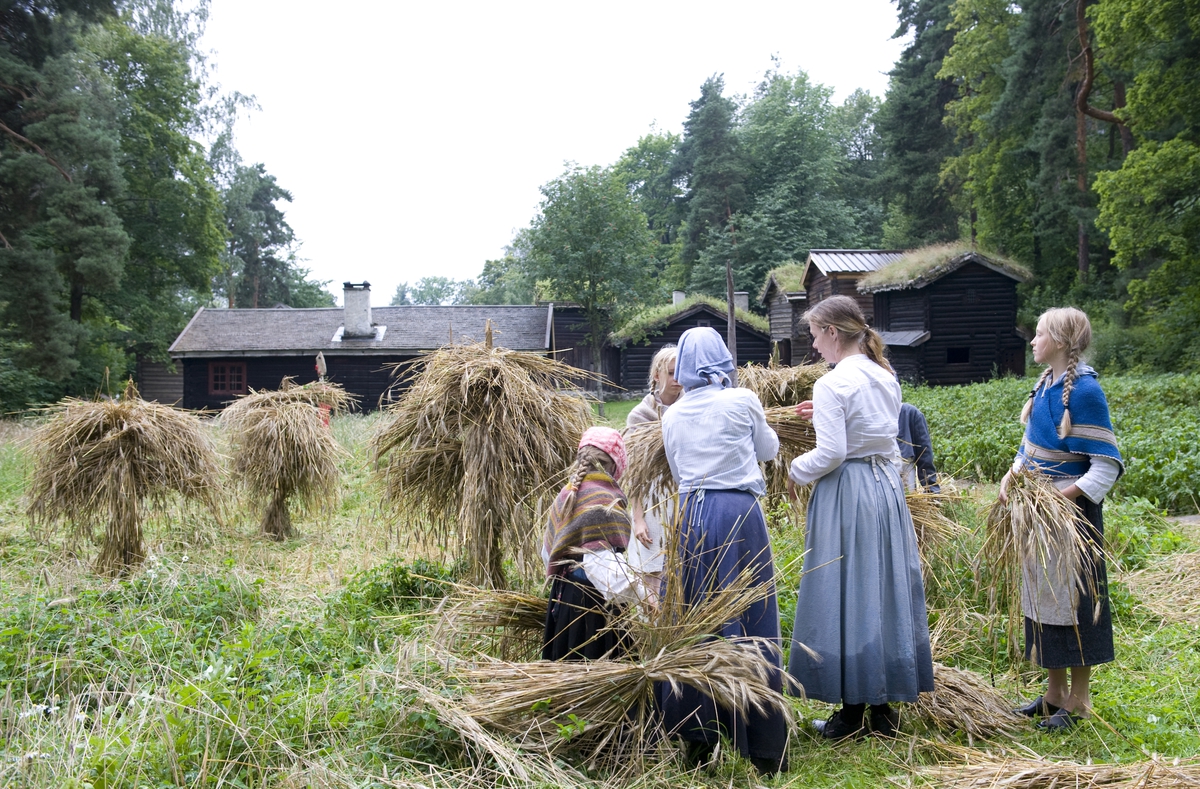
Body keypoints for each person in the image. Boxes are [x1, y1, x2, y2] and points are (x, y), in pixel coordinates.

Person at [786, 295, 934, 740]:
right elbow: (876, 436)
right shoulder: (884, 376)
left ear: (832, 332)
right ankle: (884, 710)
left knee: (846, 589)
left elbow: (831, 453)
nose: (813, 346)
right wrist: (828, 417)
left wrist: (796, 471)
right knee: (880, 588)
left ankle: (850, 713)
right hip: (885, 489)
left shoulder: (832, 384)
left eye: (814, 335)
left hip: (847, 493)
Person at [658, 326, 788, 776]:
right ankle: (764, 746)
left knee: (693, 622)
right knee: (752, 617)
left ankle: (697, 739)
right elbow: (768, 449)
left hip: (691, 518)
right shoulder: (742, 400)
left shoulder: (671, 415)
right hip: (738, 513)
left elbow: (678, 472)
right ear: (723, 360)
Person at [999, 307, 1122, 731]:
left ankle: (1080, 700)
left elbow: (1105, 466)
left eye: (1039, 334)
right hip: (1038, 513)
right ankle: (1053, 695)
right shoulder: (1045, 385)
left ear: (1060, 342)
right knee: (1043, 597)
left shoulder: (1084, 392)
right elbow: (1029, 447)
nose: (1032, 341)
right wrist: (1012, 474)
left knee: (1074, 602)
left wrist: (1059, 499)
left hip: (1072, 518)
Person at [542, 427, 647, 661]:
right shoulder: (603, 499)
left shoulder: (567, 492)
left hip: (565, 599)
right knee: (600, 672)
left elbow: (548, 552)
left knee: (568, 673)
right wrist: (643, 595)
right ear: (616, 465)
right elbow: (602, 567)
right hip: (592, 608)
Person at [625, 345, 682, 589]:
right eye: (670, 373)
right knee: (653, 572)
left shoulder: (691, 409)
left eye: (680, 371)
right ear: (656, 375)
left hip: (686, 495)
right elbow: (635, 474)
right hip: (654, 501)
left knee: (684, 570)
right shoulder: (640, 416)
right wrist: (638, 519)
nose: (677, 378)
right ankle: (652, 626)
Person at [897, 402, 940, 493]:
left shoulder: (909, 413)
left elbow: (924, 453)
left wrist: (931, 488)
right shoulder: (868, 412)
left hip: (904, 473)